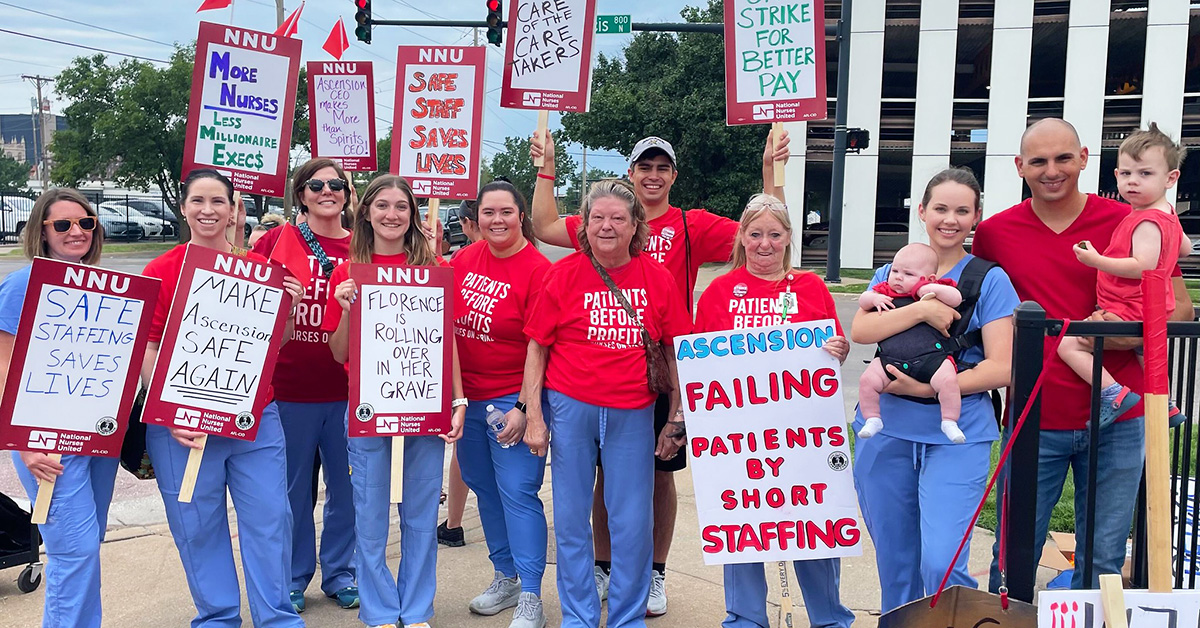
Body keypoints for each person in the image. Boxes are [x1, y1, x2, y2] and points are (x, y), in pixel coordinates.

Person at [529, 129, 787, 614]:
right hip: (589, 388)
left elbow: (765, 229)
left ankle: (654, 573)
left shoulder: (692, 224)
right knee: (606, 481)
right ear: (629, 175)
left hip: (655, 377)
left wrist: (772, 173)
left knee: (656, 477)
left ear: (672, 175)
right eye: (643, 166)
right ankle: (604, 568)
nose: (652, 174)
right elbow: (542, 223)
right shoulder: (601, 218)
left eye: (661, 167)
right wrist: (547, 164)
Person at [973, 118, 1194, 591]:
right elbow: (981, 317)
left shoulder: (1129, 219)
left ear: (1084, 158)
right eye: (1038, 161)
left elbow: (1179, 306)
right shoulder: (994, 234)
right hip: (1034, 414)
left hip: (1121, 415)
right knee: (1012, 560)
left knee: (1103, 562)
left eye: (1063, 158)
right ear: (1020, 167)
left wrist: (1118, 336)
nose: (1052, 170)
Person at [522, 180, 692, 628]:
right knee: (573, 520)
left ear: (636, 226)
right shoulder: (562, 274)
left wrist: (677, 418)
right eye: (598, 217)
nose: (607, 226)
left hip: (632, 410)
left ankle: (626, 616)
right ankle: (578, 616)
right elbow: (537, 347)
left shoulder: (657, 278)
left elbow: (677, 352)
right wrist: (535, 416)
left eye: (618, 218)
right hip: (571, 406)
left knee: (632, 521)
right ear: (584, 224)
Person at [140, 168, 305, 626]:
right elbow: (149, 347)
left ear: (234, 209)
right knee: (197, 525)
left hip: (255, 418)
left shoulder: (262, 271)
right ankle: (217, 617)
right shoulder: (163, 269)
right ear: (184, 208)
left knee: (271, 518)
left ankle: (278, 617)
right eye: (198, 201)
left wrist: (287, 304)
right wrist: (170, 412)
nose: (208, 210)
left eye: (218, 201)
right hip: (182, 425)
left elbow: (276, 343)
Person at [850, 167, 1019, 613]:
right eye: (940, 208)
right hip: (886, 430)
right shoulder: (893, 270)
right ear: (922, 211)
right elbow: (863, 329)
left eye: (962, 210)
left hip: (955, 432)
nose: (950, 219)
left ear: (977, 216)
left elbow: (1002, 366)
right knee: (896, 561)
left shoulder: (989, 280)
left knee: (942, 562)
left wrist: (931, 392)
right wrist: (923, 312)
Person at [692, 193, 855, 628]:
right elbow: (699, 364)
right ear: (742, 237)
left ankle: (829, 617)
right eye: (756, 233)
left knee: (812, 524)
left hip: (803, 436)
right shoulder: (719, 291)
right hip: (737, 439)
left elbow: (834, 349)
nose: (764, 243)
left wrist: (837, 349)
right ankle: (745, 618)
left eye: (775, 234)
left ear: (788, 239)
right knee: (742, 526)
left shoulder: (810, 286)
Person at [324, 174, 466, 628]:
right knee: (369, 517)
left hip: (424, 411)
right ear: (365, 211)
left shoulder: (433, 269)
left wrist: (458, 399)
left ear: (412, 214)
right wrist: (346, 309)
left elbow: (449, 343)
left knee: (422, 516)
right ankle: (381, 609)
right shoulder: (347, 270)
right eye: (381, 205)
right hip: (368, 413)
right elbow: (339, 353)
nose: (391, 214)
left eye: (401, 206)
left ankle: (417, 607)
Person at [250, 158, 358, 614]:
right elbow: (245, 298)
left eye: (336, 184)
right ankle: (293, 577)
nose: (326, 191)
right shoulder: (277, 240)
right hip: (290, 387)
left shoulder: (364, 245)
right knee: (291, 493)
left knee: (348, 490)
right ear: (300, 194)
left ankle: (340, 573)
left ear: (348, 194)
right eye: (316, 184)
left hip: (350, 390)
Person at [3, 189, 108, 628]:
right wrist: (24, 442)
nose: (76, 232)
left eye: (85, 222)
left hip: (98, 436)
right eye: (62, 225)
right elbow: (4, 367)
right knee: (73, 552)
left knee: (86, 548)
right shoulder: (22, 284)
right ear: (41, 232)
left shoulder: (102, 284)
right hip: (46, 441)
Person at [451, 180, 553, 628]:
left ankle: (531, 593)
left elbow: (542, 345)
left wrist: (525, 408)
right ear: (477, 216)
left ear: (521, 215)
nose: (497, 220)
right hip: (465, 400)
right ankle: (505, 575)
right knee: (484, 488)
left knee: (518, 493)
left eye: (506, 212)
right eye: (488, 212)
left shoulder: (537, 269)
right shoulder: (463, 259)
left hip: (510, 400)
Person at [1056, 123, 1191, 427]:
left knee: (1068, 343)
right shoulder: (1169, 214)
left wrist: (1097, 260)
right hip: (1153, 308)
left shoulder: (1145, 221)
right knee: (1148, 353)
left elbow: (1142, 266)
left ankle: (1112, 392)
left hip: (1128, 307)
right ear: (1115, 175)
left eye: (1145, 174)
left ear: (1171, 178)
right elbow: (1183, 249)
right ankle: (1166, 402)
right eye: (1126, 173)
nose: (1133, 182)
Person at [857, 242, 967, 444]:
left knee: (948, 382)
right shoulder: (885, 290)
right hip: (889, 359)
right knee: (867, 381)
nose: (898, 277)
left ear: (930, 278)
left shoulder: (937, 290)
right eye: (895, 270)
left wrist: (930, 289)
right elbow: (863, 300)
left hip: (931, 358)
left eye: (908, 274)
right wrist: (873, 300)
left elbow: (956, 298)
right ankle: (872, 418)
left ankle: (949, 420)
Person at [438, 199, 483, 549]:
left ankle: (454, 522)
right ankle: (453, 522)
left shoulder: (530, 263)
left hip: (485, 387)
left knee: (470, 458)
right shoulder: (461, 261)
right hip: (461, 381)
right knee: (466, 454)